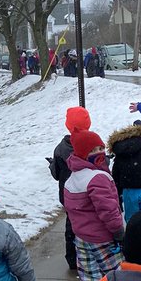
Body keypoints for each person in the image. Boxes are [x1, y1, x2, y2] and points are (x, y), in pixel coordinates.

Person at [63, 129, 124, 281]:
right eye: (94, 150)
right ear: (83, 154)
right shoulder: (97, 178)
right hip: (105, 239)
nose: (100, 153)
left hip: (82, 239)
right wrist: (119, 232)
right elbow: (109, 210)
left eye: (101, 148)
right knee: (117, 280)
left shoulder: (72, 180)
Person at [47, 106, 90, 271]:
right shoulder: (91, 143)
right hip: (87, 192)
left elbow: (57, 174)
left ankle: (72, 258)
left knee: (71, 224)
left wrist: (53, 164)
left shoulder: (61, 148)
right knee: (88, 223)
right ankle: (88, 254)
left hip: (68, 194)